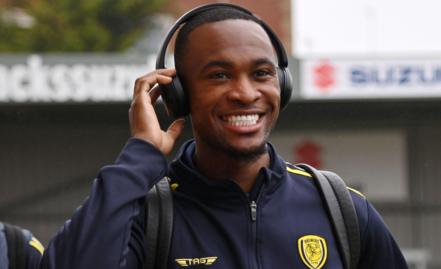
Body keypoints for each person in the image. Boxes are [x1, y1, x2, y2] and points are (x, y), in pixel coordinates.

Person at [41, 3, 408, 269]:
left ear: (283, 85)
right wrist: (140, 156)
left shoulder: (341, 209)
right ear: (178, 94)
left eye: (262, 73)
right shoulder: (145, 216)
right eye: (219, 75)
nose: (245, 93)